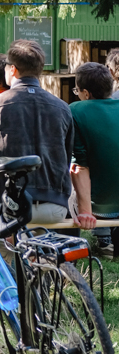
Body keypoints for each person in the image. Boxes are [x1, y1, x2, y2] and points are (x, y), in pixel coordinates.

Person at [0, 39, 73, 225]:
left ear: (12, 70)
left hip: (7, 205)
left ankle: (4, 254)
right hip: (53, 207)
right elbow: (65, 159)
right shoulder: (63, 108)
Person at [68, 62, 115, 245]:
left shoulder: (75, 110)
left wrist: (86, 211)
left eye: (77, 91)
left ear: (86, 93)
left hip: (97, 206)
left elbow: (80, 164)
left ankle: (71, 247)